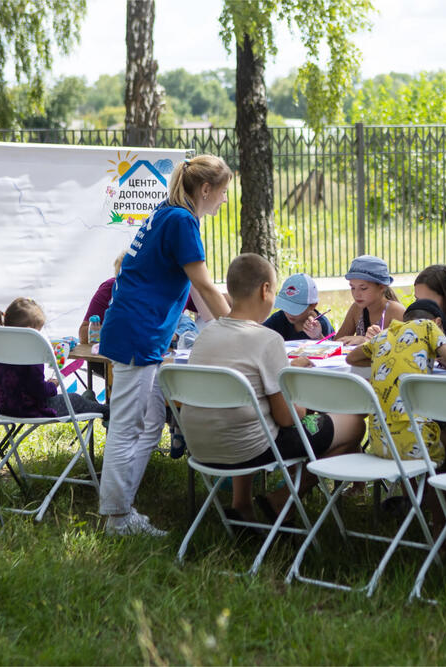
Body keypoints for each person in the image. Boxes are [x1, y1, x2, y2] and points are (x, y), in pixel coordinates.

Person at [98, 154, 232, 538]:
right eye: (223, 193)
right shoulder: (183, 221)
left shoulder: (168, 213)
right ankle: (117, 518)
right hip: (138, 333)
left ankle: (122, 510)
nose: (224, 200)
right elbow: (205, 285)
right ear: (206, 189)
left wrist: (226, 324)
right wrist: (241, 327)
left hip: (138, 330)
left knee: (149, 422)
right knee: (127, 426)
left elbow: (192, 286)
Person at [182, 253, 365, 523]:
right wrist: (302, 399)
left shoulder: (205, 334)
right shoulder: (267, 339)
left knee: (248, 415)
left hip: (200, 445)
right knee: (355, 425)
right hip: (249, 449)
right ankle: (283, 500)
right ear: (265, 290)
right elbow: (287, 417)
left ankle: (242, 504)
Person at [346, 299, 446, 540]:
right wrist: (436, 353)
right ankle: (444, 531)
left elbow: (352, 358)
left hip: (380, 443)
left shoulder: (385, 335)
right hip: (413, 445)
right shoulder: (429, 328)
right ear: (438, 323)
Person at [0, 297, 109, 420]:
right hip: (31, 409)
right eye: (38, 331)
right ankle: (106, 411)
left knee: (76, 401)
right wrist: (52, 385)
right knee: (75, 399)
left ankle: (88, 402)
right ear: (30, 331)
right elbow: (40, 391)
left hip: (2, 407)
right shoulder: (32, 353)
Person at [335, 255, 405, 345]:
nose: (356, 294)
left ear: (381, 287)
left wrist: (364, 340)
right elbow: (338, 342)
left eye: (363, 288)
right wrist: (318, 335)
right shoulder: (356, 309)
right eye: (352, 287)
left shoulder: (396, 311)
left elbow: (403, 348)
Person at [262, 272, 333, 341]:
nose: (289, 313)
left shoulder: (321, 325)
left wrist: (318, 336)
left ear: (312, 305)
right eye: (286, 307)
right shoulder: (279, 318)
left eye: (294, 309)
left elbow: (331, 350)